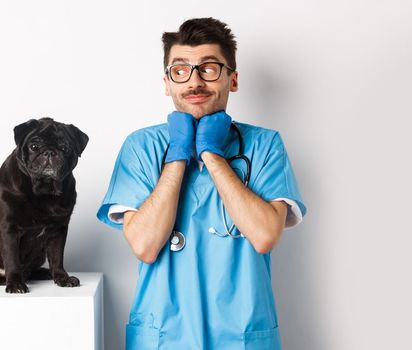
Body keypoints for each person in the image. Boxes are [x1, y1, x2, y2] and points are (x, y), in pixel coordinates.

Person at [96, 17, 306, 349]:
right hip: (164, 337)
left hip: (241, 336)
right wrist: (178, 154)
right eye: (180, 71)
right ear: (167, 83)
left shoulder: (265, 145)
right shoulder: (141, 147)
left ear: (232, 79)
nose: (194, 82)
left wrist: (211, 154)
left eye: (208, 68)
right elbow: (145, 246)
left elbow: (265, 235)